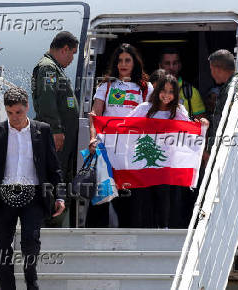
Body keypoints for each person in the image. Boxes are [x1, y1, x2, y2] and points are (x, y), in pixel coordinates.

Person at [0, 87, 65, 290]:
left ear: (27, 108)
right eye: (9, 112)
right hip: (3, 196)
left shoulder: (42, 130)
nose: (14, 117)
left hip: (33, 195)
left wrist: (60, 196)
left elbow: (54, 168)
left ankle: (31, 282)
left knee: (30, 242)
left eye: (18, 112)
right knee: (2, 247)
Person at [127, 74, 209, 228]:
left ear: (175, 94)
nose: (166, 95)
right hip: (144, 165)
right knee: (145, 204)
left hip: (167, 166)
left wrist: (203, 126)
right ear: (157, 91)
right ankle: (145, 236)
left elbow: (191, 131)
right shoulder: (144, 108)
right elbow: (125, 126)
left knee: (165, 202)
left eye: (171, 92)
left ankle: (163, 232)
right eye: (163, 90)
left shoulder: (178, 111)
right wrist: (100, 128)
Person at [88, 43, 153, 228]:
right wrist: (93, 139)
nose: (123, 64)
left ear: (135, 62)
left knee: (130, 202)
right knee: (102, 199)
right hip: (107, 151)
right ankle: (95, 243)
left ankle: (131, 244)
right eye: (120, 60)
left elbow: (153, 118)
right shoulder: (106, 85)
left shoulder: (146, 88)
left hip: (132, 154)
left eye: (127, 60)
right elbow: (95, 115)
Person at [31, 31, 79, 227]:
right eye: (72, 53)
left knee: (60, 175)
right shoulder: (48, 69)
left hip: (61, 136)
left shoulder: (55, 68)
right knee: (54, 176)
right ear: (64, 49)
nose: (72, 58)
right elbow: (47, 101)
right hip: (55, 136)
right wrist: (56, 130)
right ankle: (48, 223)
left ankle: (54, 220)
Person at [207, 49, 238, 153]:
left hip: (228, 149)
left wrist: (211, 148)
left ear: (218, 69)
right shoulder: (234, 85)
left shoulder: (233, 89)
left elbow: (227, 123)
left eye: (211, 69)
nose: (211, 73)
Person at [159, 47, 206, 119]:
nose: (171, 67)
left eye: (175, 63)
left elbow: (201, 126)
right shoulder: (151, 89)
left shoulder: (192, 92)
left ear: (180, 65)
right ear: (160, 66)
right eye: (167, 63)